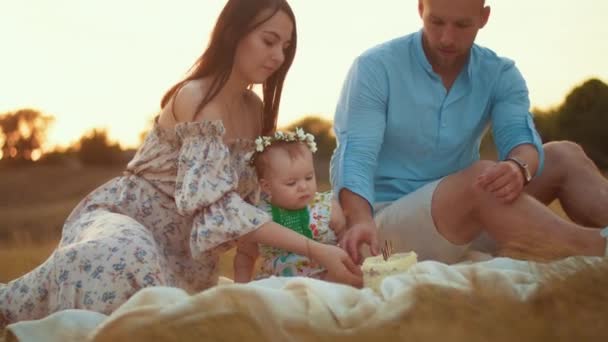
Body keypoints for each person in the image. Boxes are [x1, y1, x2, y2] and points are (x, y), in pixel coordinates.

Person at [0, 0, 362, 328]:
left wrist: (326, 223)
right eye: (269, 41)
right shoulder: (196, 98)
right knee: (122, 257)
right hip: (127, 220)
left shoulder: (255, 112)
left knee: (164, 315)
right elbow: (218, 209)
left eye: (285, 47)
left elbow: (259, 199)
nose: (279, 57)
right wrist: (315, 251)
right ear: (234, 33)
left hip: (183, 256)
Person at [330, 0, 608, 265]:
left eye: (462, 25)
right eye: (436, 22)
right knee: (480, 180)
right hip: (383, 225)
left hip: (471, 217)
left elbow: (521, 141)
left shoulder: (500, 73)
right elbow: (356, 155)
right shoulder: (375, 67)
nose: (447, 38)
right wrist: (360, 220)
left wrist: (516, 168)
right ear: (420, 8)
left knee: (564, 154)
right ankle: (596, 248)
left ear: (484, 17)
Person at [233, 128, 347, 282]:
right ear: (267, 186)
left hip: (324, 282)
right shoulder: (260, 216)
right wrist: (241, 287)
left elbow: (349, 245)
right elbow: (245, 255)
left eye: (308, 177)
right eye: (291, 183)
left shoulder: (327, 207)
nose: (303, 186)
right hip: (277, 287)